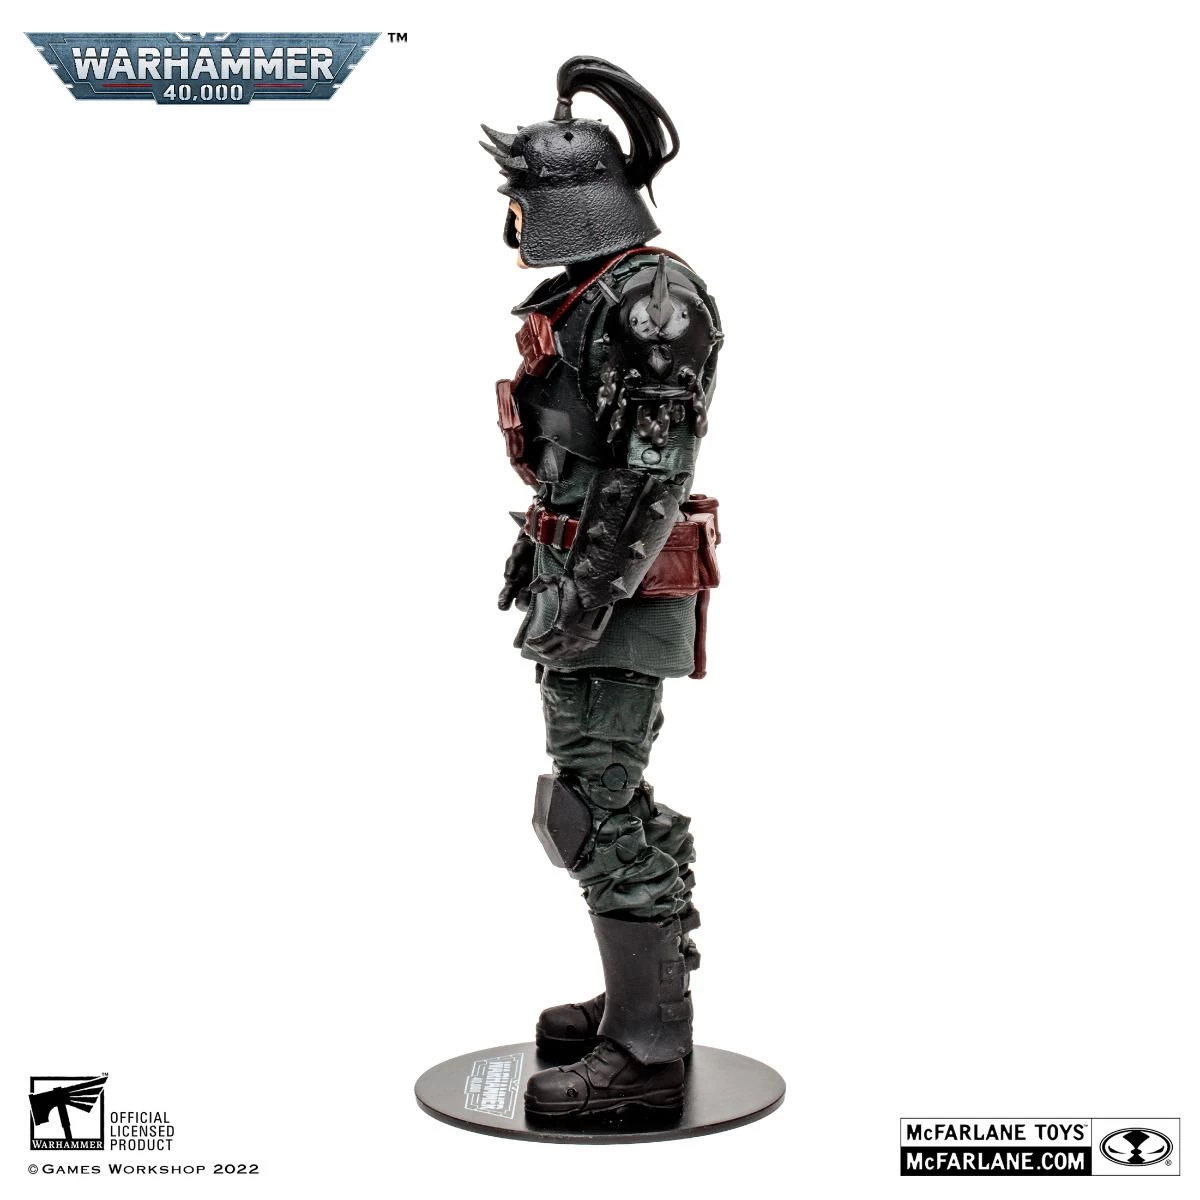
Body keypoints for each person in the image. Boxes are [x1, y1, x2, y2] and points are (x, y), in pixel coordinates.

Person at [485, 56, 722, 1118]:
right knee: (607, 789)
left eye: (523, 200)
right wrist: (539, 557)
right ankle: (644, 997)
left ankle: (647, 1049)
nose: (512, 219)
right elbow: (580, 460)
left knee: (591, 798)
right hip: (582, 573)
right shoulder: (597, 293)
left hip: (617, 591)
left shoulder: (649, 303)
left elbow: (650, 476)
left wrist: (582, 597)